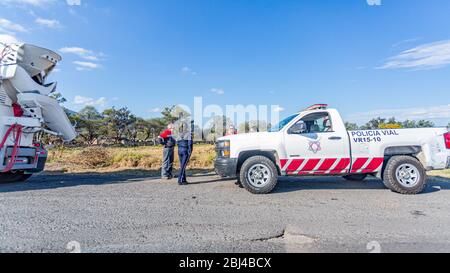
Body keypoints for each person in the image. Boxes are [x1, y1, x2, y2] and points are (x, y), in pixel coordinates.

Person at [174, 121, 193, 185]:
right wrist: (190, 152)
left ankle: (184, 180)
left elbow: (177, 142)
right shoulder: (188, 133)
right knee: (183, 166)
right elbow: (190, 143)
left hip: (179, 150)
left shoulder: (178, 133)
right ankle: (180, 180)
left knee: (182, 165)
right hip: (185, 150)